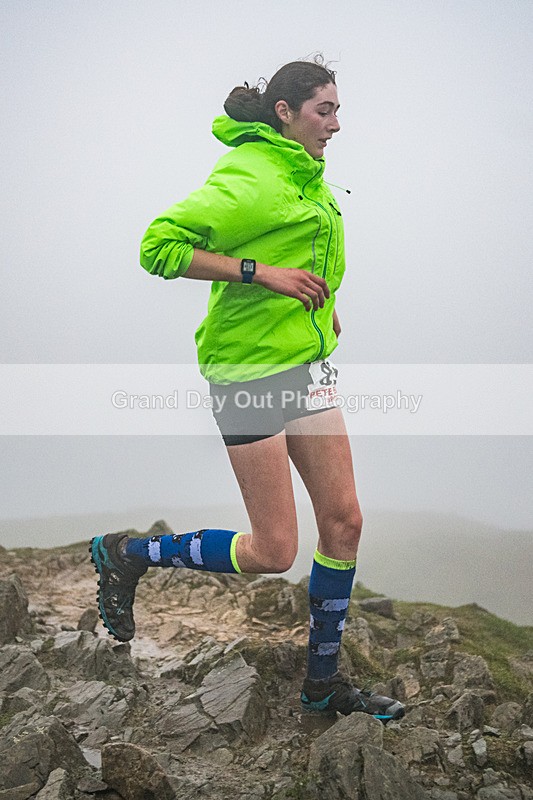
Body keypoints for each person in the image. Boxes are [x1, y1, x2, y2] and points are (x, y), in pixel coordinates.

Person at [91, 58, 404, 722]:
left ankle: (321, 690)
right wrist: (259, 273)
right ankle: (127, 553)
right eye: (324, 110)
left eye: (338, 109)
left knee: (344, 523)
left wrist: (320, 308)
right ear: (286, 113)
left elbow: (309, 256)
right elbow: (157, 247)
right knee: (273, 551)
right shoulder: (249, 176)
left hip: (305, 367)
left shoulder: (305, 176)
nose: (337, 124)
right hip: (250, 376)